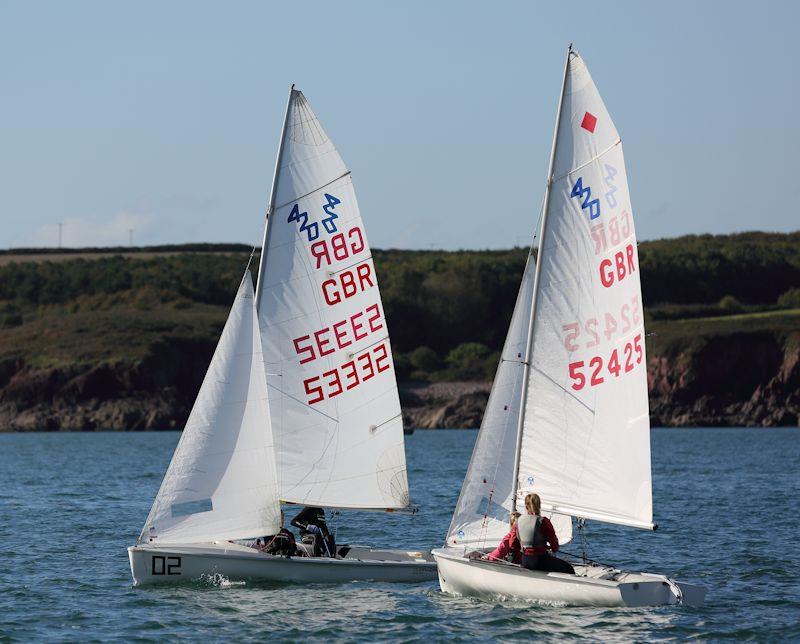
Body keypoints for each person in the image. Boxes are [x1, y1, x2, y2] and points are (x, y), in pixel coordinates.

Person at [517, 493, 575, 574]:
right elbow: (555, 546)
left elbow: (514, 541)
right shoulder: (543, 521)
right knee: (569, 568)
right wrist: (549, 547)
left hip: (525, 560)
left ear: (526, 507)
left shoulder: (519, 520)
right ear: (539, 505)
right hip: (539, 561)